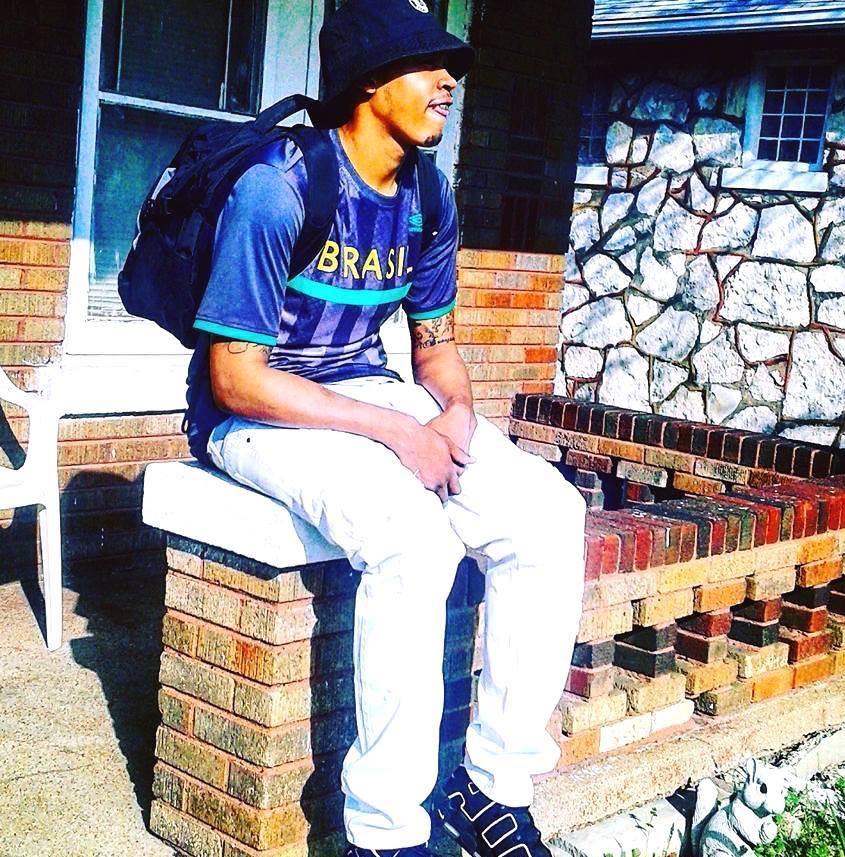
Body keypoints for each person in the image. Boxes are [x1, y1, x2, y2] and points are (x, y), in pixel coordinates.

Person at [188, 1, 587, 855]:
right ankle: (384, 827)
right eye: (427, 66)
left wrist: (455, 415)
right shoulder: (279, 188)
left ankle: (491, 786)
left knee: (549, 515)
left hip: (366, 391)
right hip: (255, 416)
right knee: (414, 540)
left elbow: (433, 348)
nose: (448, 83)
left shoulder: (425, 195)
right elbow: (235, 378)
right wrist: (397, 432)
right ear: (369, 81)